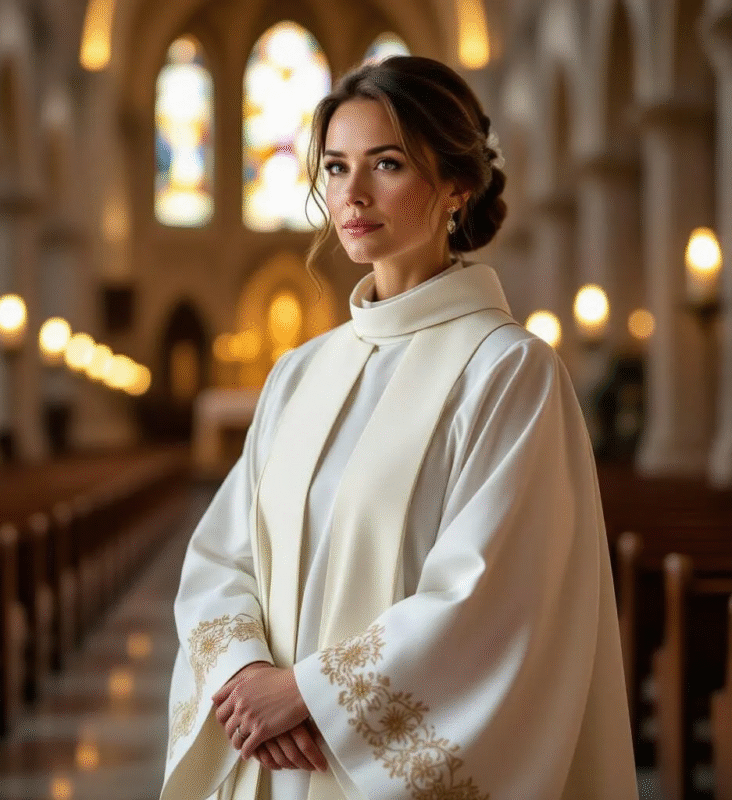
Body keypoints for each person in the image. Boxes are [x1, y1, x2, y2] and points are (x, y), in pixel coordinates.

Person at [160, 55, 638, 800]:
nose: (350, 194)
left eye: (386, 164)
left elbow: (488, 601)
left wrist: (311, 695)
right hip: (275, 765)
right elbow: (223, 557)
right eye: (334, 167)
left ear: (458, 185)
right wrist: (246, 675)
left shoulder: (509, 372)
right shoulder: (298, 374)